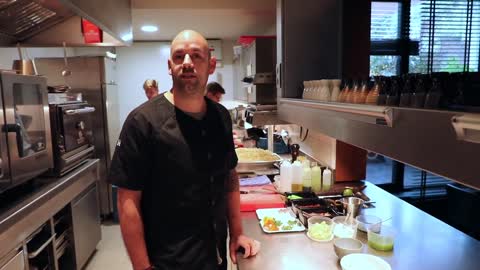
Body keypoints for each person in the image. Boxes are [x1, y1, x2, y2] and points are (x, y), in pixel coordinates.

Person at [109, 30, 260, 270]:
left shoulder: (220, 116)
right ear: (170, 66)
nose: (187, 63)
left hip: (215, 256)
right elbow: (127, 200)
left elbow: (229, 177)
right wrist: (142, 267)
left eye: (196, 56)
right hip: (167, 261)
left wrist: (238, 233)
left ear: (210, 65)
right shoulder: (142, 121)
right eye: (179, 56)